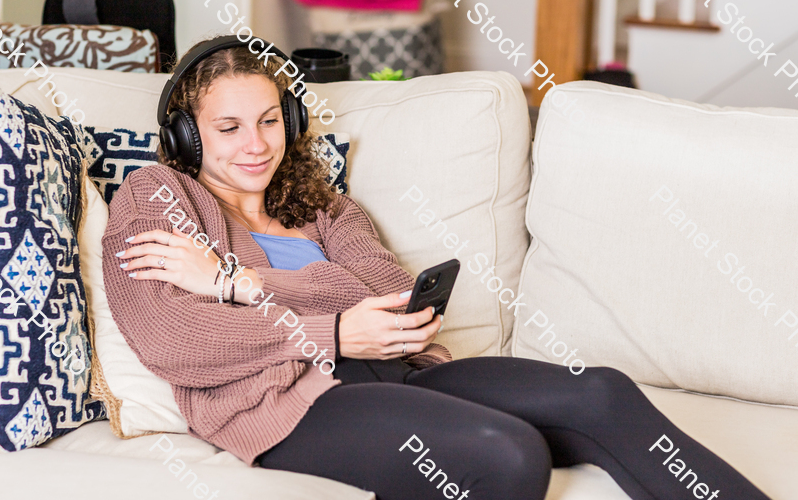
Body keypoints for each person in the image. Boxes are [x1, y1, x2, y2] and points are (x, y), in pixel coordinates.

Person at [102, 37, 772, 500]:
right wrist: (335, 330)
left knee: (602, 393)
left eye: (270, 121)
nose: (256, 145)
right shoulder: (159, 196)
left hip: (397, 368)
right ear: (189, 135)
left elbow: (398, 300)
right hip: (289, 405)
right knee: (507, 452)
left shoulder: (321, 201)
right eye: (228, 128)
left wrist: (240, 285)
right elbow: (177, 340)